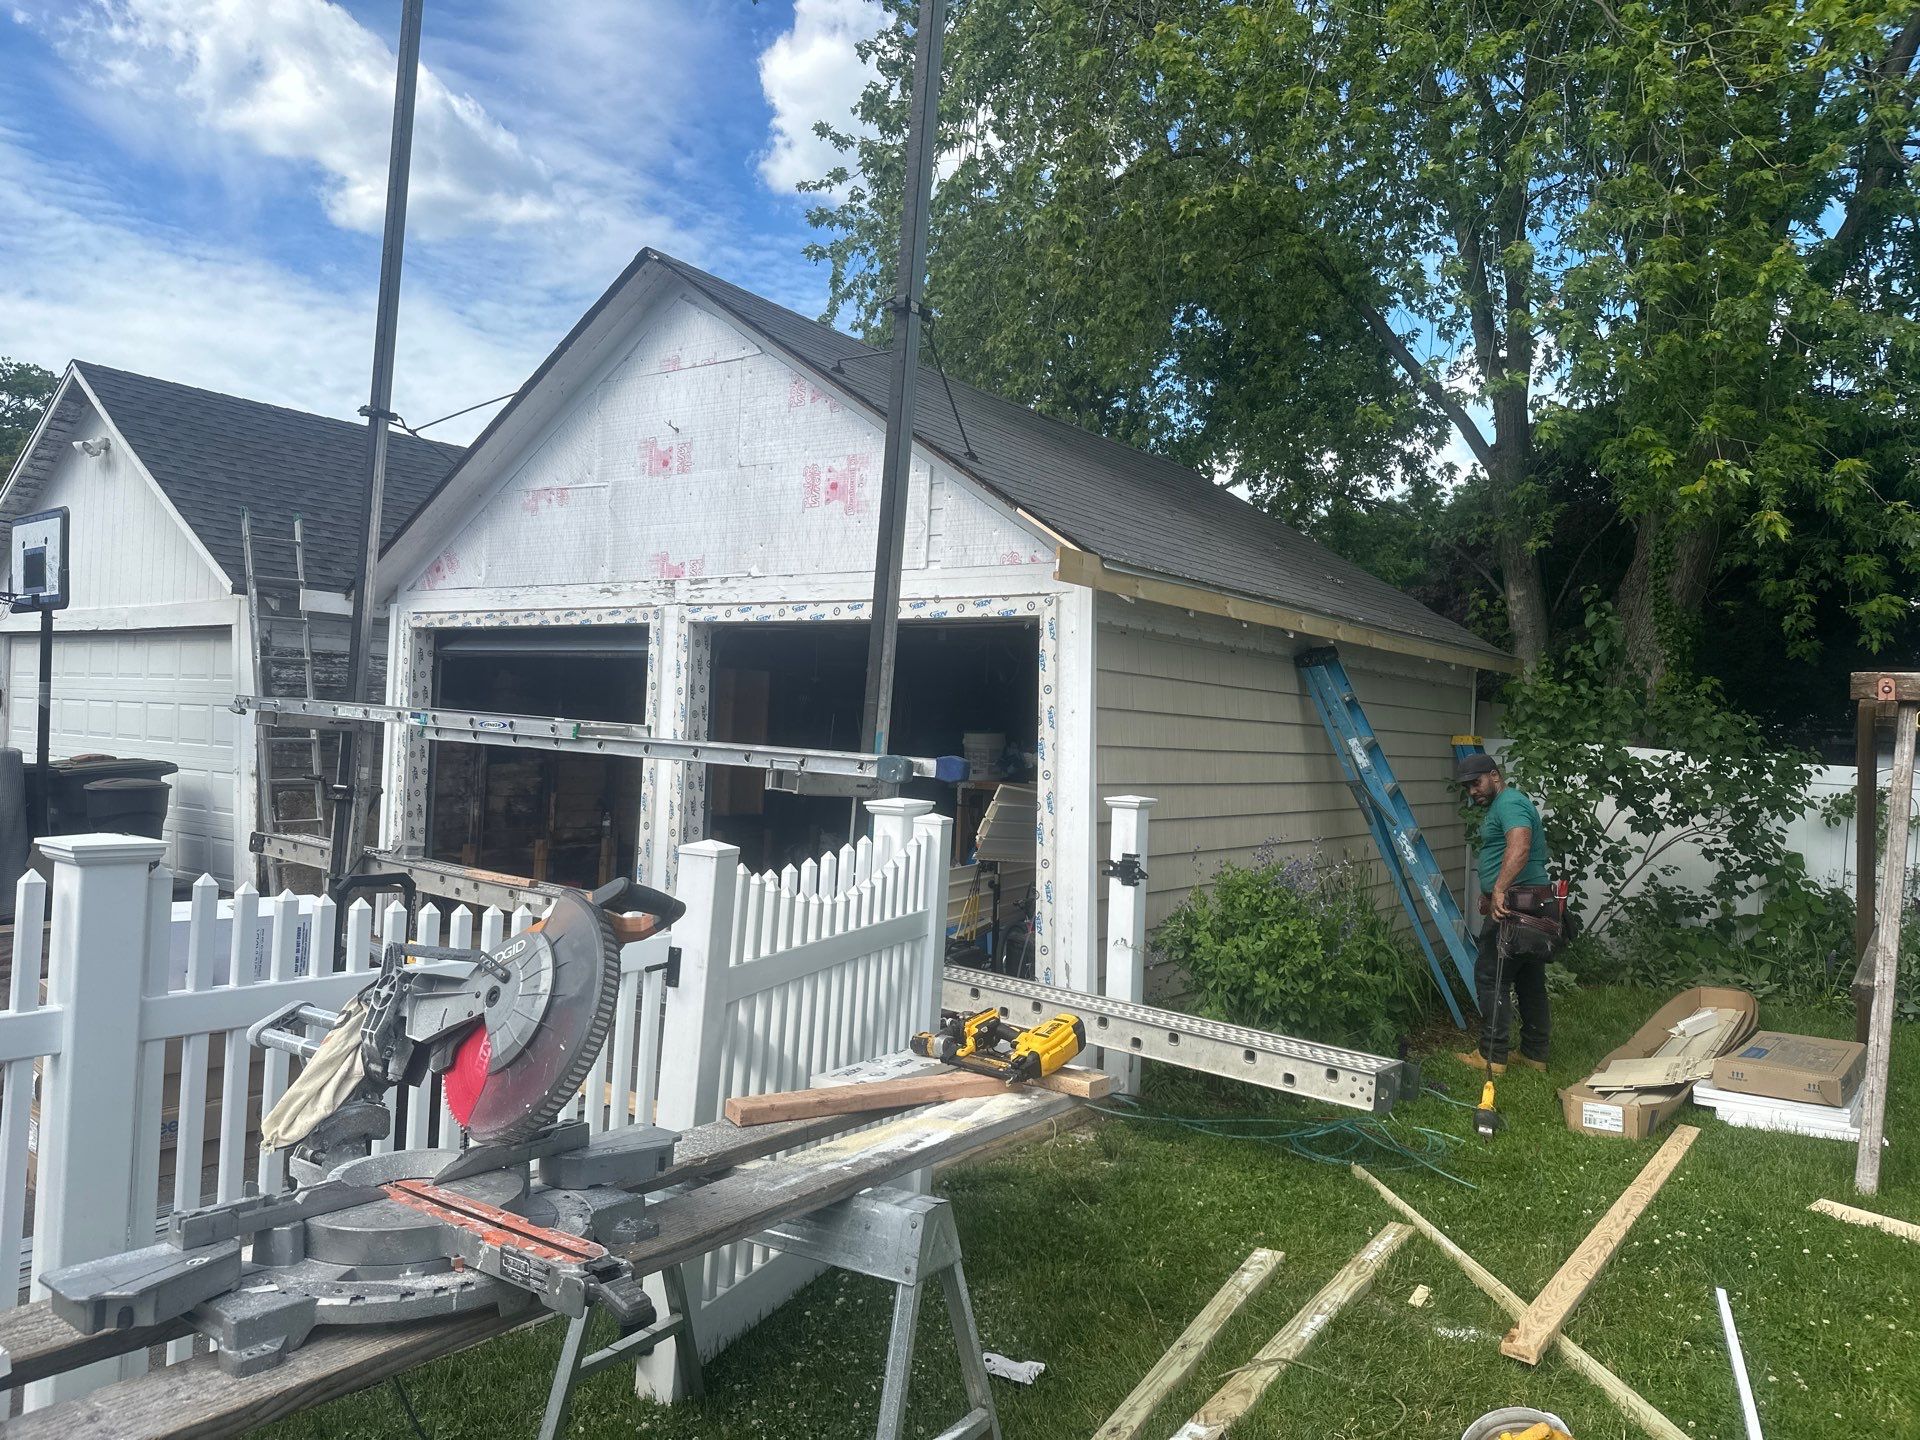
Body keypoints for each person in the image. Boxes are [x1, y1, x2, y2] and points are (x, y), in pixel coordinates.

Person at [1454, 753, 1553, 1074]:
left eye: (1477, 782)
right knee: (1529, 978)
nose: (1472, 791)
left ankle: (1492, 1057)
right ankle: (1535, 1054)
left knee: (1490, 977)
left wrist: (1499, 890)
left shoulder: (1509, 803)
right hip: (1530, 901)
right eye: (1467, 786)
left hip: (1514, 905)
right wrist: (1491, 892)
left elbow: (1520, 846)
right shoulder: (1503, 804)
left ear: (1495, 776)